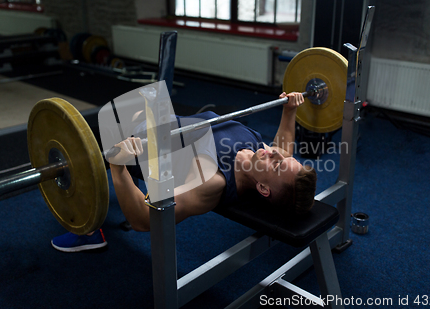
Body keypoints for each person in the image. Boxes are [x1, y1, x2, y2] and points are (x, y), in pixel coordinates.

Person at [51, 92, 316, 251]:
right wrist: (289, 112)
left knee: (79, 149)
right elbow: (285, 151)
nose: (274, 152)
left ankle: (88, 233)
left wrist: (118, 168)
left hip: (128, 142)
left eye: (278, 163)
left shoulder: (211, 181)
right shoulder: (261, 155)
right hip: (159, 123)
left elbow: (144, 220)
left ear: (263, 189)